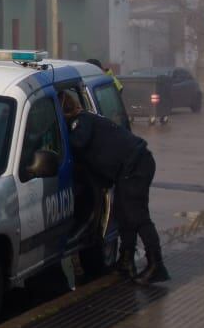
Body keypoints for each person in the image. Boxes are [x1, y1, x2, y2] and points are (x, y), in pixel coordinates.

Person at [60, 90, 167, 283]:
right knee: (123, 214)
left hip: (136, 165)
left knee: (137, 216)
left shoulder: (82, 120)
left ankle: (156, 264)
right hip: (130, 166)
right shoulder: (85, 120)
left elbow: (79, 143)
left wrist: (60, 136)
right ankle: (126, 262)